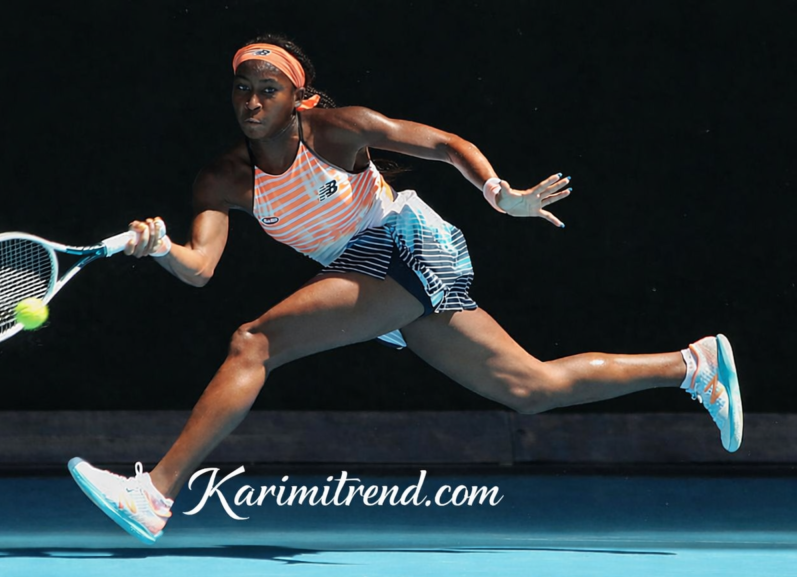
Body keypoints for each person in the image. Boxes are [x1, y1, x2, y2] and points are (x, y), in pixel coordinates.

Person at [67, 35, 742, 544]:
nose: (250, 100)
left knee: (255, 342)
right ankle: (692, 365)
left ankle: (154, 492)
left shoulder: (337, 130)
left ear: (299, 98)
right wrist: (159, 248)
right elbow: (200, 267)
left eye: (266, 88)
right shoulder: (221, 181)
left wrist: (498, 193)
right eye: (241, 87)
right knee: (529, 389)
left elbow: (445, 143)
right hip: (367, 270)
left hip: (410, 243)